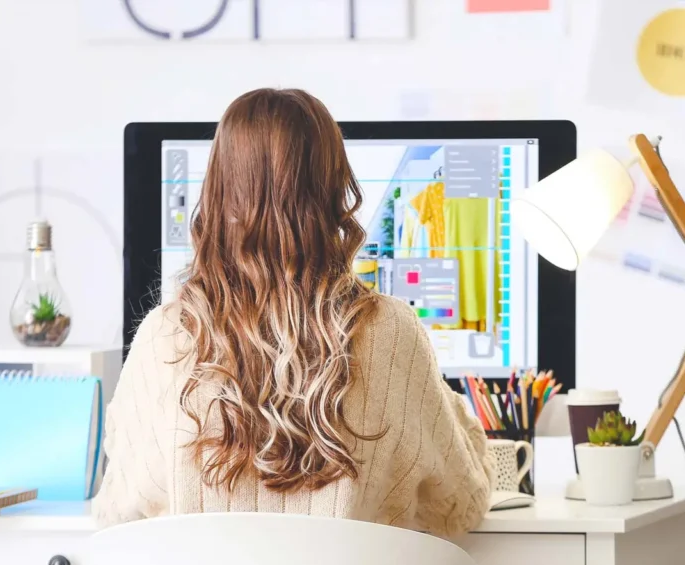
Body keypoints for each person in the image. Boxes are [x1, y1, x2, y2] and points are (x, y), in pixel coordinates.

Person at [93, 88, 493, 536]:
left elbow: (115, 512)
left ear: (219, 191)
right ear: (335, 191)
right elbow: (463, 503)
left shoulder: (163, 336)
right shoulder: (392, 331)